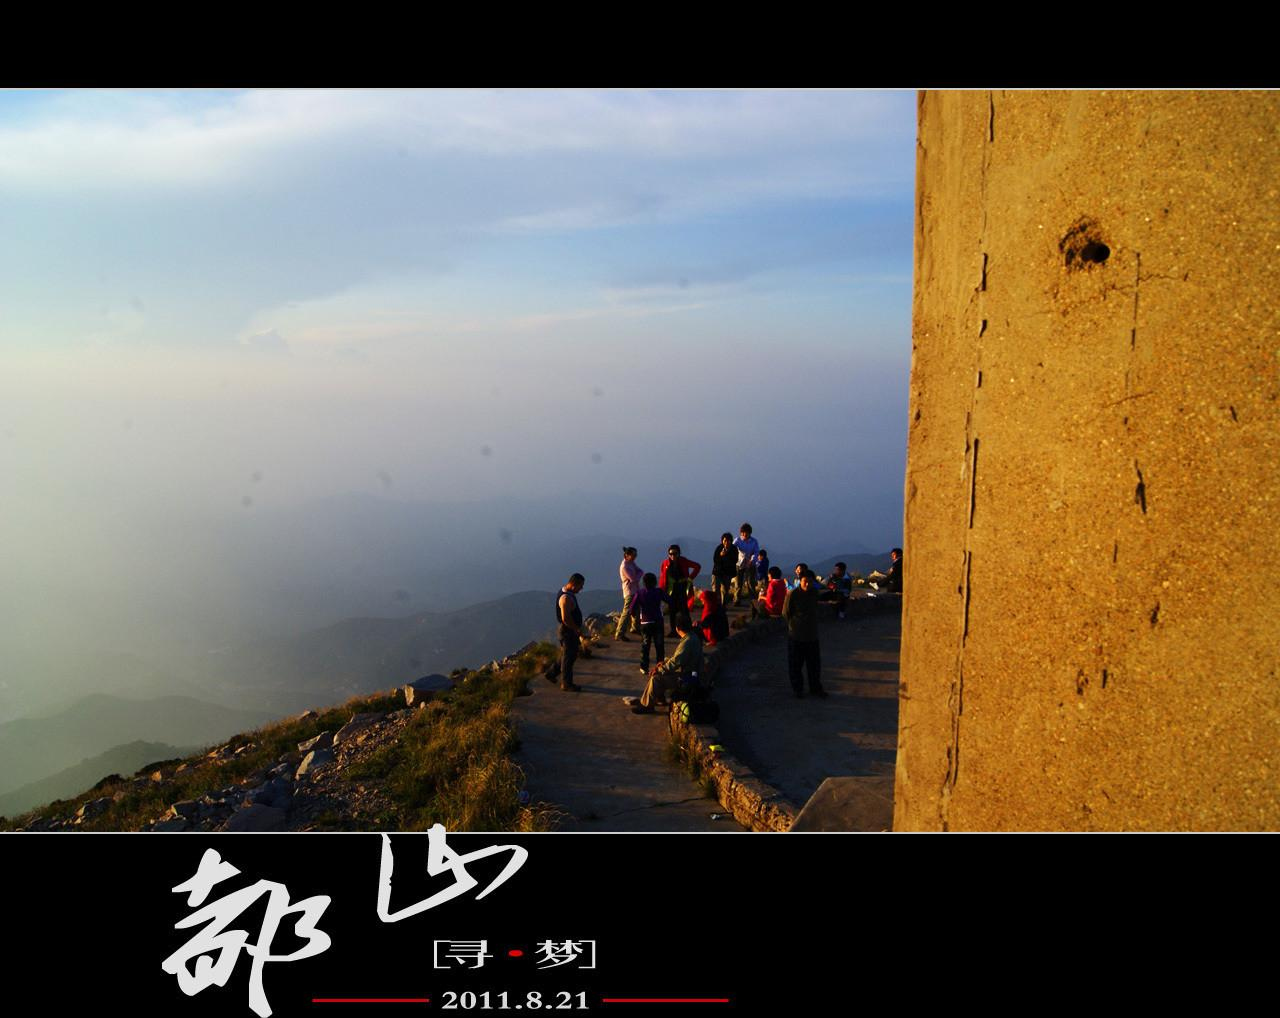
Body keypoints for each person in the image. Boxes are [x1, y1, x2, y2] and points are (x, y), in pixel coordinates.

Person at [625, 616, 704, 714]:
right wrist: (664, 663)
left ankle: (647, 706)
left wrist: (659, 669)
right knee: (661, 671)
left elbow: (675, 662)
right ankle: (658, 699)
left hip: (689, 678)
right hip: (694, 674)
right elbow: (678, 659)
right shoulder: (692, 637)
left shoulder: (687, 642)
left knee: (656, 678)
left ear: (677, 628)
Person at [782, 570, 827, 698]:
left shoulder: (814, 593)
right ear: (800, 581)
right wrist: (793, 625)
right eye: (805, 581)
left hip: (812, 635)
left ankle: (815, 688)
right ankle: (798, 689)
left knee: (814, 665)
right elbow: (785, 613)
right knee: (795, 665)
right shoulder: (793, 594)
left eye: (810, 582)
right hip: (796, 635)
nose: (807, 584)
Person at [543, 573, 585, 692]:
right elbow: (565, 618)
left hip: (569, 630)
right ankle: (566, 683)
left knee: (568, 654)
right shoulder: (565, 598)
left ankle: (551, 673)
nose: (581, 589)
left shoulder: (566, 592)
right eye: (580, 586)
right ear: (574, 584)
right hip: (567, 631)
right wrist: (576, 629)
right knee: (569, 658)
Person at [628, 572, 669, 674]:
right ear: (655, 582)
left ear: (644, 583)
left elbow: (632, 608)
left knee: (646, 645)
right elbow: (669, 600)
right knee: (659, 645)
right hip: (658, 621)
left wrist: (634, 615)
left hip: (645, 622)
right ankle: (660, 666)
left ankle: (644, 667)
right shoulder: (659, 592)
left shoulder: (639, 593)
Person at [658, 544, 701, 637]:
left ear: (679, 553)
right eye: (670, 554)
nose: (673, 556)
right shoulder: (665, 563)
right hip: (671, 590)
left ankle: (688, 629)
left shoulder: (683, 561)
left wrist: (690, 578)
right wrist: (662, 589)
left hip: (682, 589)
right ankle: (674, 631)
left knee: (684, 610)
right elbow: (663, 576)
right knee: (672, 611)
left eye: (675, 553)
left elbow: (697, 566)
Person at [615, 547, 643, 641]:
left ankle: (635, 628)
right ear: (627, 555)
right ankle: (619, 633)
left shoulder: (631, 563)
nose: (635, 557)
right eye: (633, 555)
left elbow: (640, 572)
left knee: (636, 610)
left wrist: (637, 577)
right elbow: (633, 579)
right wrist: (637, 577)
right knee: (626, 612)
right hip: (629, 591)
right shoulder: (624, 566)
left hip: (635, 590)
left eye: (635, 555)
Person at [733, 523, 760, 605]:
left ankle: (753, 601)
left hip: (750, 564)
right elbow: (732, 548)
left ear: (750, 533)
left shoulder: (754, 541)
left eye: (746, 532)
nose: (745, 534)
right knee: (738, 583)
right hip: (739, 563)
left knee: (751, 583)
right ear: (741, 532)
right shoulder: (737, 540)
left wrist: (752, 560)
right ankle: (736, 600)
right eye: (743, 532)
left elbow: (756, 552)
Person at [711, 533, 737, 604]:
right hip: (717, 572)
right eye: (725, 540)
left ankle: (723, 605)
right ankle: (716, 605)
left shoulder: (734, 549)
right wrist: (721, 555)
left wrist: (727, 555)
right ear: (722, 541)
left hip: (728, 573)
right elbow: (715, 560)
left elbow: (735, 560)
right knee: (716, 589)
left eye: (728, 541)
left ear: (731, 541)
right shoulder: (719, 548)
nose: (726, 542)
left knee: (725, 590)